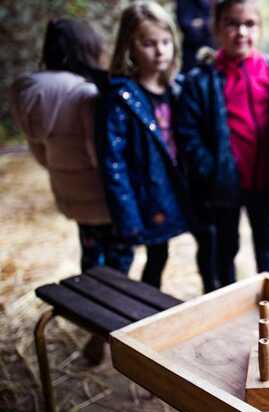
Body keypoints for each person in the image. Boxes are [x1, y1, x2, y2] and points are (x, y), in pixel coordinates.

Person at [9, 18, 134, 275]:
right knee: (119, 261)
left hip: (71, 195)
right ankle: (114, 313)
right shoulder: (84, 94)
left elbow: (40, 153)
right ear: (88, 47)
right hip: (103, 198)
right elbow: (98, 152)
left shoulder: (32, 93)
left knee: (90, 257)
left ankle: (89, 304)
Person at [175, 0, 269, 292]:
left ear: (259, 28)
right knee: (225, 249)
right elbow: (188, 133)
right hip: (223, 185)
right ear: (217, 29)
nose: (241, 32)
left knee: (266, 244)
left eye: (249, 24)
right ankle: (223, 299)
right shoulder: (202, 79)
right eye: (232, 24)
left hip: (261, 180)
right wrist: (210, 169)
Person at [97, 1, 188, 289]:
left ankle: (146, 316)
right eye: (149, 43)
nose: (160, 50)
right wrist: (127, 215)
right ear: (129, 46)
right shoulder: (120, 97)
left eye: (165, 41)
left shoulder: (177, 89)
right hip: (137, 197)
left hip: (166, 194)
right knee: (119, 267)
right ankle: (108, 325)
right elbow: (113, 163)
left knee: (159, 257)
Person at [176, 0, 215, 72]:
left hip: (212, 48)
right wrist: (207, 24)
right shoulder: (185, 2)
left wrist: (203, 23)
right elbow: (186, 25)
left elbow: (214, 24)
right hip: (191, 52)